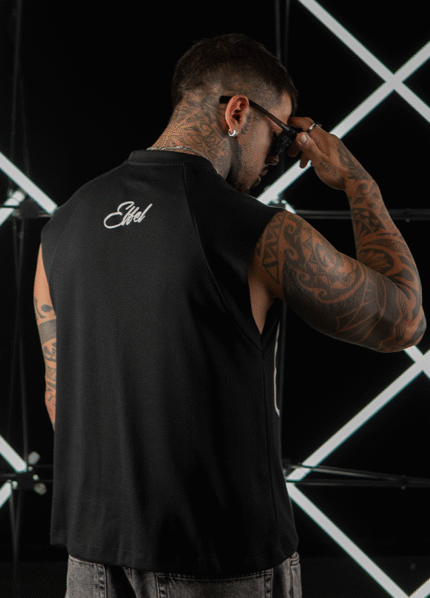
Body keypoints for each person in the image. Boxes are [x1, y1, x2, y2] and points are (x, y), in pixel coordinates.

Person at [33, 33, 426, 598]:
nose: (279, 157)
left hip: (92, 559)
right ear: (237, 112)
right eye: (281, 135)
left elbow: (60, 400)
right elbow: (405, 320)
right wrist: (360, 184)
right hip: (220, 560)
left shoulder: (63, 227)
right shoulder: (256, 230)